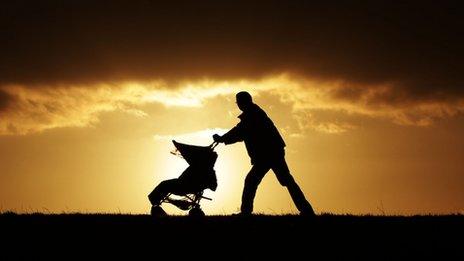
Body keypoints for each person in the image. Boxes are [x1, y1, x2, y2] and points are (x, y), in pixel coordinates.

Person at [213, 91, 315, 216]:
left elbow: (240, 131)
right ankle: (306, 209)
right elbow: (241, 132)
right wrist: (223, 139)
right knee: (285, 180)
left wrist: (222, 138)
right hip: (273, 152)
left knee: (253, 181)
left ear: (243, 102)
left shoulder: (252, 115)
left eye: (239, 102)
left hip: (267, 154)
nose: (238, 105)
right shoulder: (254, 113)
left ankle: (246, 212)